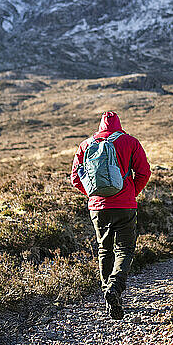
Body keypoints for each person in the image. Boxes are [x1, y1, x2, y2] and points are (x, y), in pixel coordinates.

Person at [71, 111, 151, 320]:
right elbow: (144, 173)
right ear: (119, 125)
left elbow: (75, 178)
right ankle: (115, 288)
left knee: (104, 249)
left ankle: (108, 292)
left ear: (100, 126)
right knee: (124, 248)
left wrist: (93, 195)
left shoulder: (85, 145)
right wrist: (131, 194)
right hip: (125, 205)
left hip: (97, 207)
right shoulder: (130, 142)